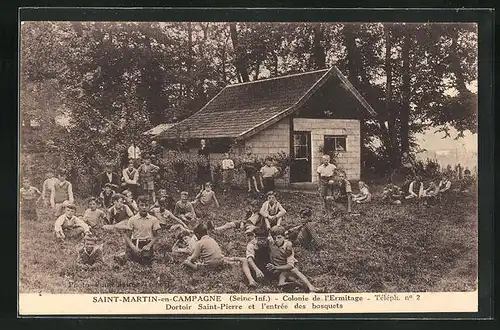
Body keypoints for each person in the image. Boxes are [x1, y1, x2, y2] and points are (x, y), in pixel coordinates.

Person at [266, 226, 317, 292]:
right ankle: (295, 285)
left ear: (284, 237)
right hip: (278, 269)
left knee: (293, 271)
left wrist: (275, 267)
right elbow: (266, 235)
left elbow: (290, 266)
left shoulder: (288, 246)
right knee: (287, 277)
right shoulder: (271, 242)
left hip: (289, 267)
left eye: (279, 237)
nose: (276, 240)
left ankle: (311, 287)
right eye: (274, 238)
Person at [114, 195, 160, 266]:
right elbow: (127, 236)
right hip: (135, 242)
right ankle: (124, 256)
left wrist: (149, 245)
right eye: (141, 205)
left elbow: (156, 236)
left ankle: (126, 255)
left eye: (146, 205)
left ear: (149, 206)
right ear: (138, 206)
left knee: (145, 262)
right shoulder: (132, 219)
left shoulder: (153, 219)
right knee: (129, 262)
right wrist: (133, 247)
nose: (144, 207)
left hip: (147, 243)